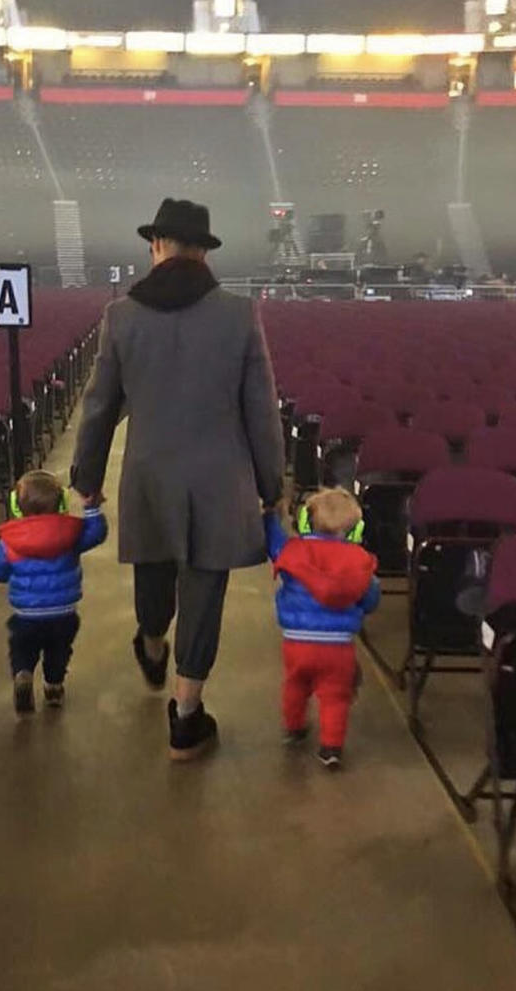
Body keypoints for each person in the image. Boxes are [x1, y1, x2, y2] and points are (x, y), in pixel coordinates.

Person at [71, 198, 284, 761]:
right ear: (202, 251)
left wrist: (86, 477)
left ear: (157, 246)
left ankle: (150, 640)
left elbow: (99, 408)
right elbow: (261, 410)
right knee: (205, 591)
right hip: (220, 478)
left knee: (154, 571)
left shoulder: (122, 315)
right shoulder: (239, 314)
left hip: (149, 476)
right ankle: (186, 716)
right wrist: (273, 486)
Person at [265, 488, 380, 770]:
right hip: (338, 646)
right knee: (335, 696)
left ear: (308, 521)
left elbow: (273, 542)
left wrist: (270, 517)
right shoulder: (359, 560)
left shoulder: (293, 551)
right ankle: (331, 748)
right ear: (352, 529)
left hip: (296, 643)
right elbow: (370, 598)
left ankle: (294, 728)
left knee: (295, 684)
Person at [0, 470, 107, 715]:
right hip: (63, 613)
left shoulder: (10, 540)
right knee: (58, 651)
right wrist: (92, 509)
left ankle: (23, 674)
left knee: (22, 648)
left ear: (16, 506)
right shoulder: (70, 533)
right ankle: (53, 687)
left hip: (25, 613)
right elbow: (95, 534)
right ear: (62, 503)